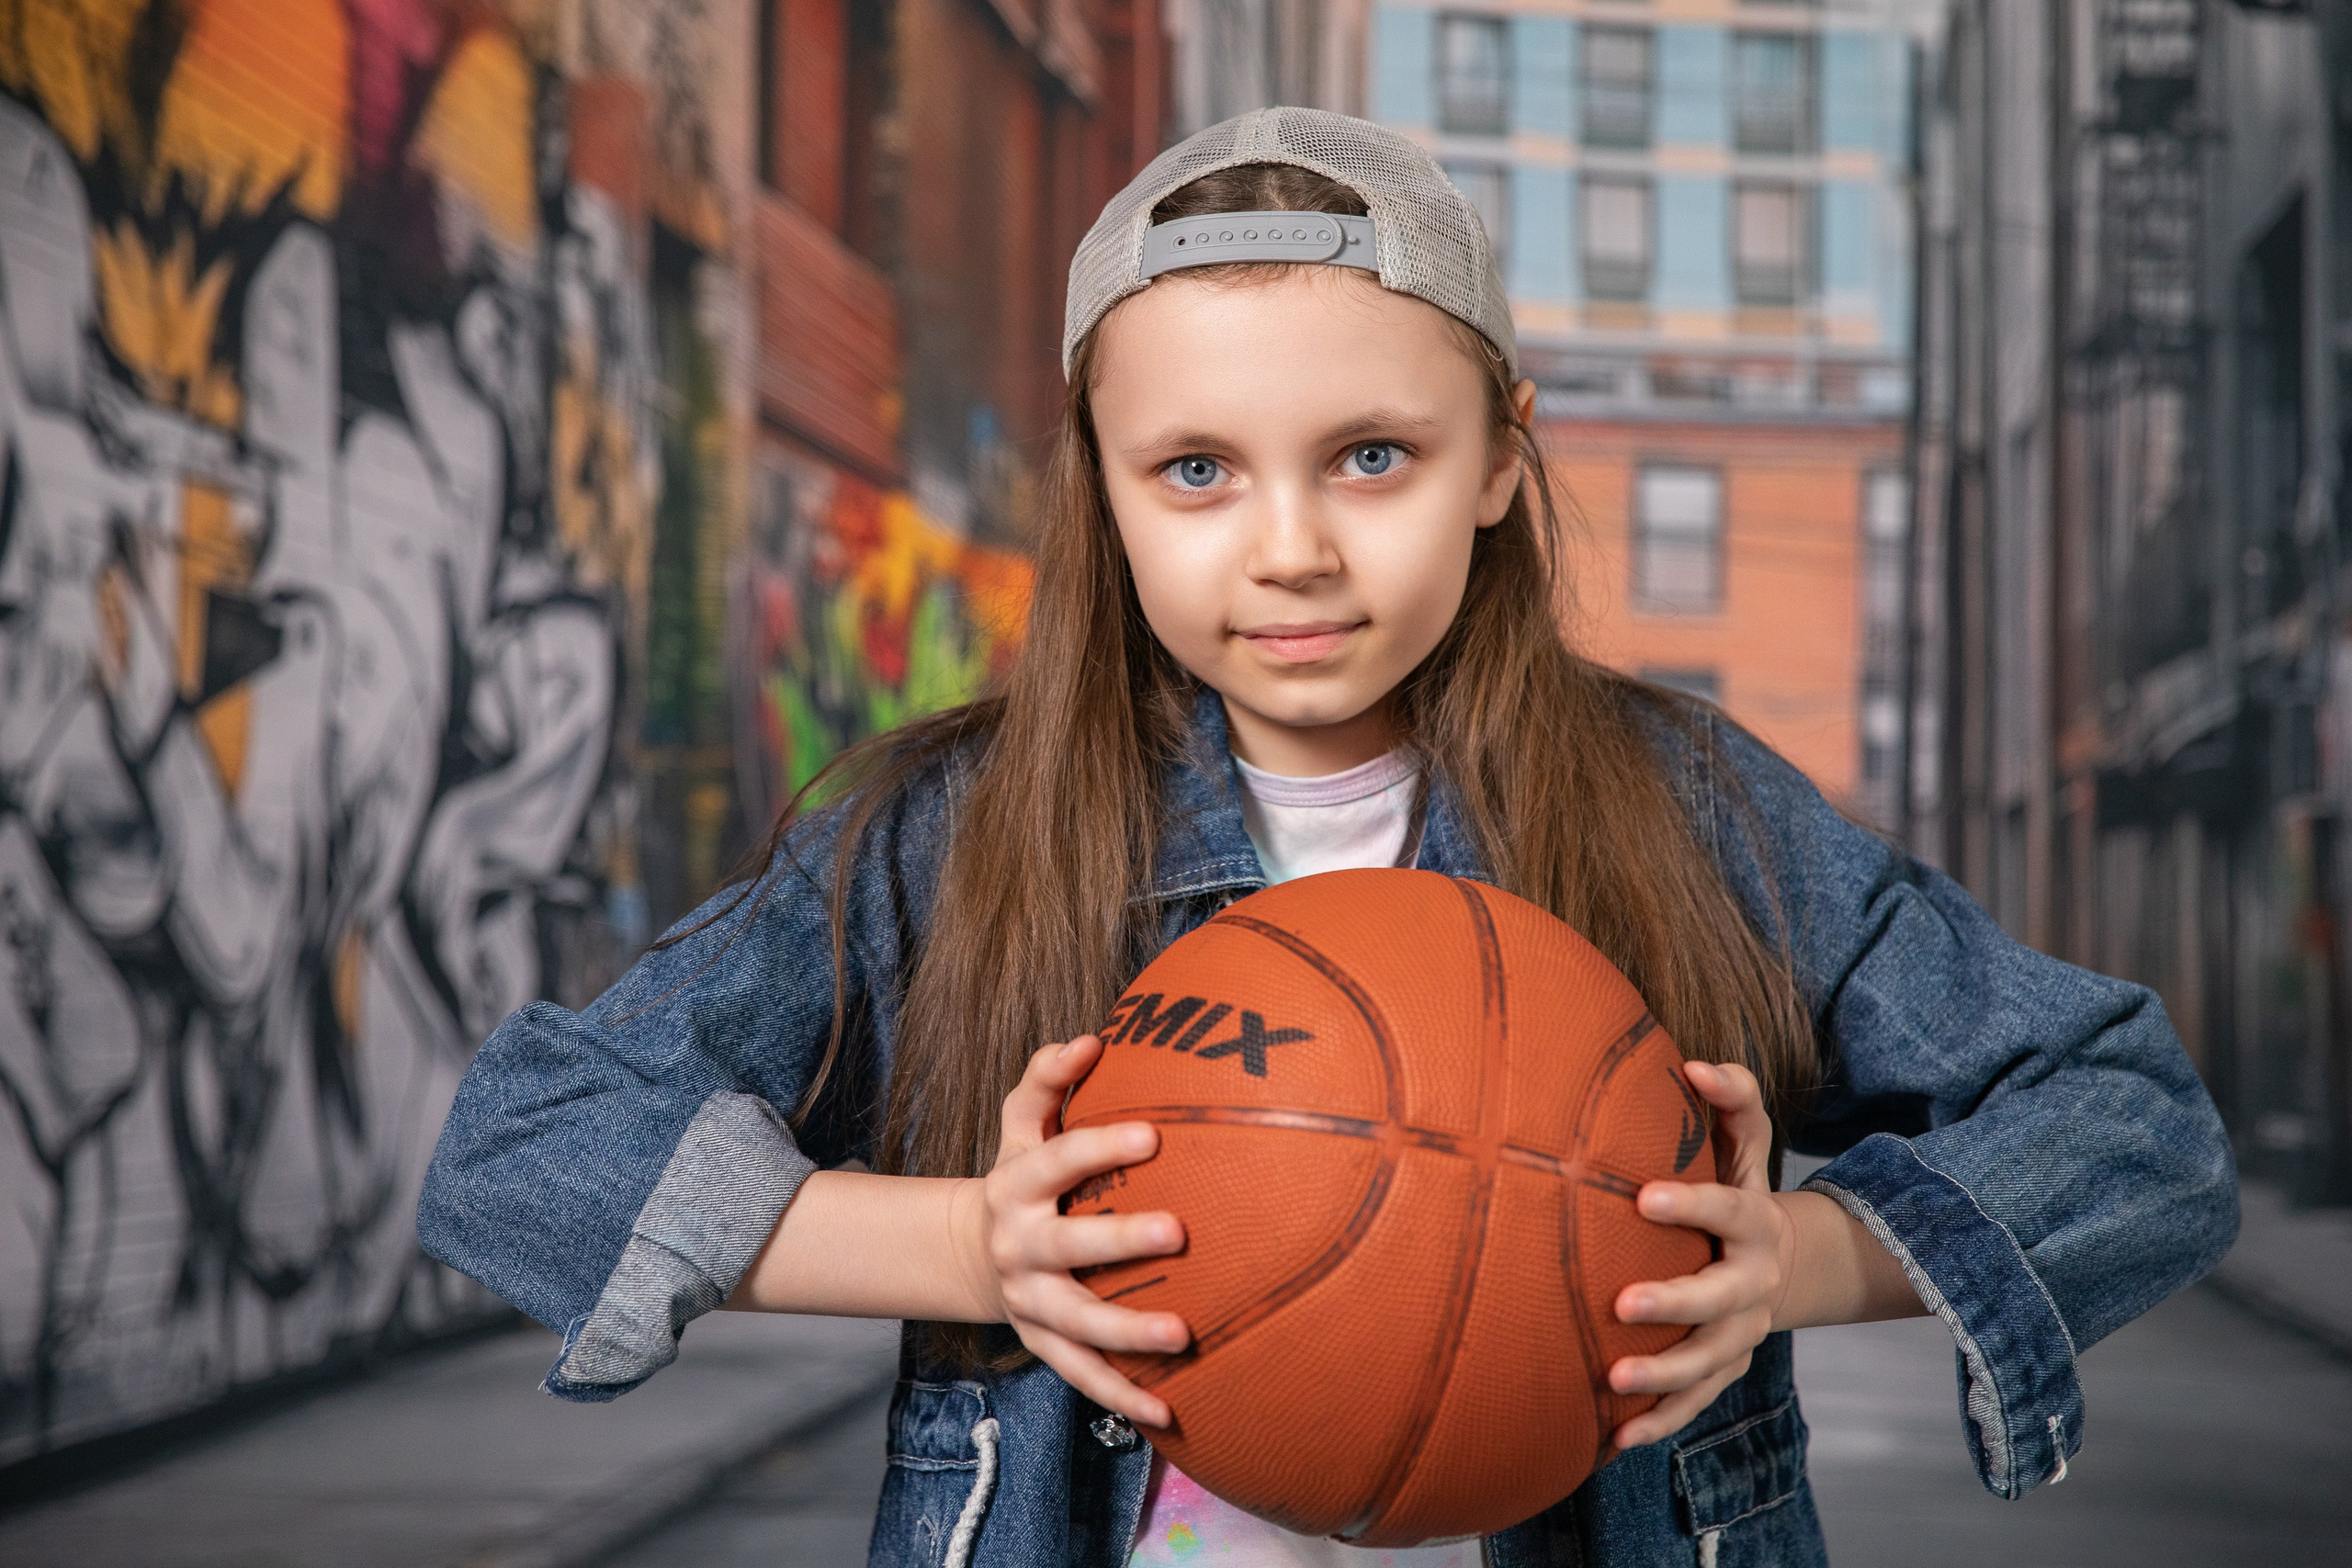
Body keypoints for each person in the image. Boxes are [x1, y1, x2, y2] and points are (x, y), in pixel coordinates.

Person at [417, 110, 2237, 1568]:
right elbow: (520, 1147)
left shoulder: (1685, 810)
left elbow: (2132, 1121)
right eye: (1194, 468)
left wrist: (1797, 1251)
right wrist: (979, 1245)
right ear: (1105, 485)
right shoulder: (956, 835)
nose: (1287, 545)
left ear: (1501, 460)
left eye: (1370, 456)